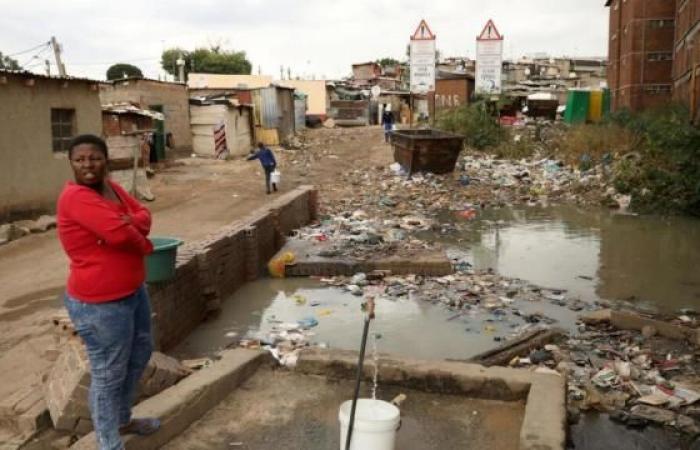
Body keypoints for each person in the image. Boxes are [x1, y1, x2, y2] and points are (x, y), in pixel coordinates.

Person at [56, 134, 160, 450]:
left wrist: (133, 224)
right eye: (80, 159)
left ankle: (121, 418)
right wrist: (143, 244)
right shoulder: (75, 197)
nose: (88, 165)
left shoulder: (112, 189)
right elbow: (119, 235)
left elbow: (144, 215)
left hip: (132, 291)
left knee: (140, 353)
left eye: (95, 158)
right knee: (108, 373)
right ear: (71, 163)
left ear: (105, 159)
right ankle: (108, 442)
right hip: (100, 304)